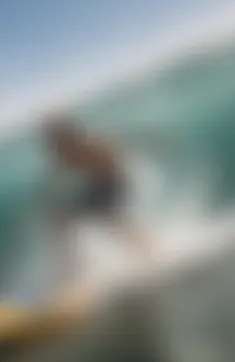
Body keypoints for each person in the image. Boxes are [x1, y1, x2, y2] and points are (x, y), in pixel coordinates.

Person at [41, 114, 152, 285]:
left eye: (52, 137)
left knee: (113, 221)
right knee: (62, 222)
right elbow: (56, 177)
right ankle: (78, 270)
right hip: (95, 187)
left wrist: (110, 198)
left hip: (113, 184)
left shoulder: (88, 146)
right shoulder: (63, 154)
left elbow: (116, 162)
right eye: (49, 138)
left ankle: (147, 255)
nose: (50, 142)